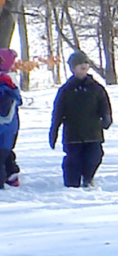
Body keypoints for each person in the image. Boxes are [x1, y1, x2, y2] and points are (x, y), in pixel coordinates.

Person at [49, 50, 112, 188]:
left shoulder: (96, 88)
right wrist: (54, 131)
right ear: (73, 68)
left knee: (94, 157)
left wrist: (106, 118)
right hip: (73, 134)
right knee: (73, 160)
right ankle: (72, 183)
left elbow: (105, 105)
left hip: (93, 132)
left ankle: (88, 177)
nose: (83, 66)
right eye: (79, 64)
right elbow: (58, 113)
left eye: (85, 63)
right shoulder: (66, 90)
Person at [0, 48, 22, 189]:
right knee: (4, 154)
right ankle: (11, 174)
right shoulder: (9, 84)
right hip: (8, 131)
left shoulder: (2, 88)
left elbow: (2, 115)